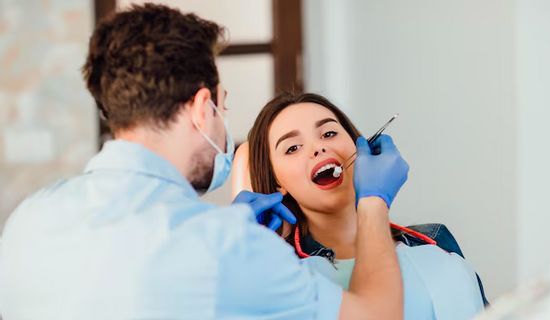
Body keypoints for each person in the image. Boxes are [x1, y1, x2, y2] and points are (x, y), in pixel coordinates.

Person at [0, 4, 409, 319]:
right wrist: (372, 201)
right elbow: (378, 314)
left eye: (327, 133)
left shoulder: (29, 218)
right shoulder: (224, 245)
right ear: (201, 108)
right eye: (221, 107)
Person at [244, 92, 486, 320]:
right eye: (293, 148)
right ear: (277, 182)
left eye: (328, 134)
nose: (318, 148)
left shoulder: (434, 239)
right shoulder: (280, 276)